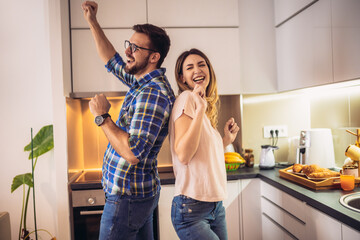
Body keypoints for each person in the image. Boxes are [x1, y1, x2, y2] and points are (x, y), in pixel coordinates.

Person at [81, 1, 175, 239]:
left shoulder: (153, 93)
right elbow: (111, 59)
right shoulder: (141, 81)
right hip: (133, 195)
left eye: (135, 47)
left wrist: (103, 117)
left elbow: (133, 152)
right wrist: (92, 22)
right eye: (129, 44)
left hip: (128, 197)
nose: (128, 51)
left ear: (154, 57)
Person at [169, 48, 239, 240]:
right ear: (182, 78)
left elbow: (202, 152)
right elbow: (183, 154)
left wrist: (226, 140)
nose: (197, 70)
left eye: (202, 64)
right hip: (192, 209)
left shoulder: (201, 106)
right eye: (189, 67)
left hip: (215, 207)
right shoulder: (187, 99)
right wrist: (200, 110)